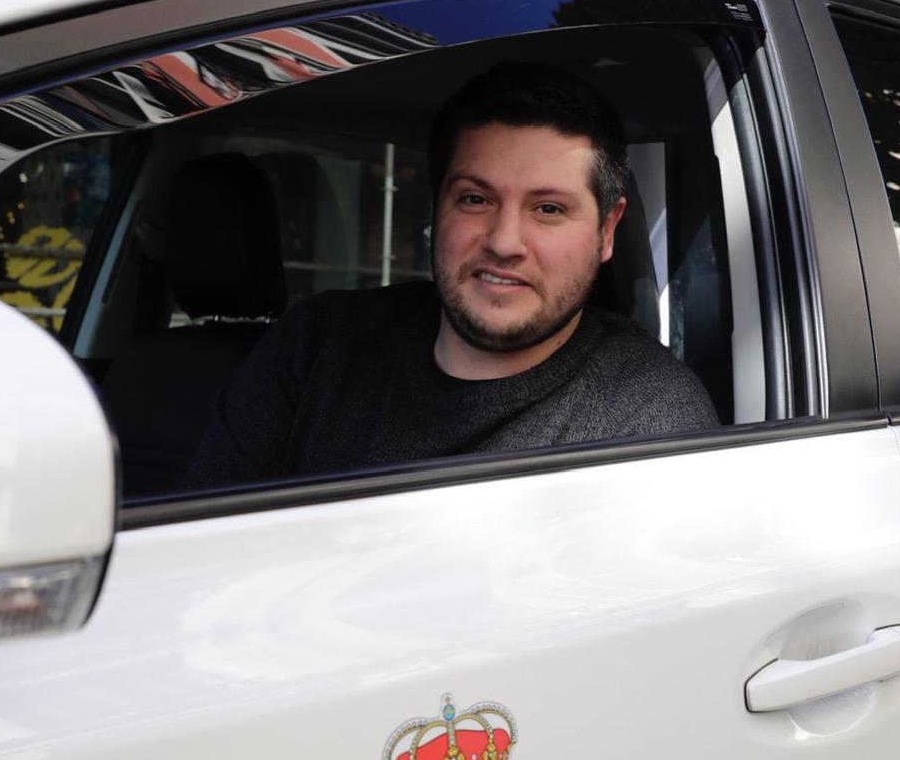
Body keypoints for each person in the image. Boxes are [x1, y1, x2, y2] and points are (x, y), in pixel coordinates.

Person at [187, 61, 717, 488]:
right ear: (436, 209)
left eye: (548, 209)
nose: (504, 242)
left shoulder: (649, 423)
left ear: (607, 231)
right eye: (475, 199)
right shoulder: (316, 345)